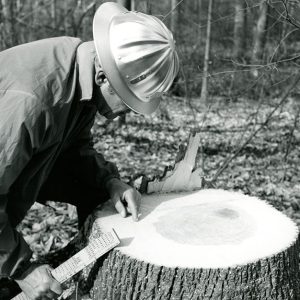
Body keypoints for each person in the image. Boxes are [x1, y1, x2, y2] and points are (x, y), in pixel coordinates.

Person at [0, 2, 179, 300]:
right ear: (103, 77)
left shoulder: (78, 70)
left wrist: (109, 182)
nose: (129, 112)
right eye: (128, 101)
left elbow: (72, 150)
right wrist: (22, 269)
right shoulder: (32, 102)